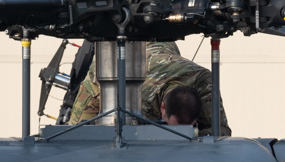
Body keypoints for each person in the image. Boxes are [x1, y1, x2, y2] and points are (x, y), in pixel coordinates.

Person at [67, 40, 230, 136]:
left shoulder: (203, 80)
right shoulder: (139, 96)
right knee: (75, 134)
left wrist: (192, 135)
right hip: (108, 66)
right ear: (162, 107)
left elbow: (220, 133)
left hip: (162, 43)